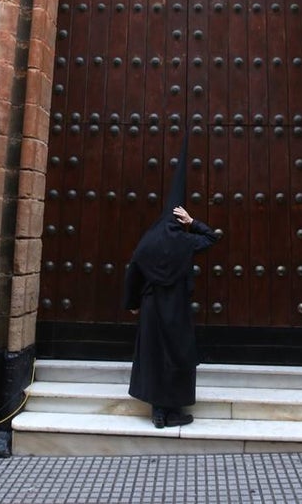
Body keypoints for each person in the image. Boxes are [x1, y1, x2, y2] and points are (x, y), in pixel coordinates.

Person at [123, 134, 222, 429]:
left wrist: (131, 304)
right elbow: (212, 237)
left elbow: (134, 269)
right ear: (179, 217)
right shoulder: (185, 240)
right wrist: (193, 222)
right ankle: (174, 410)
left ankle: (158, 412)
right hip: (176, 307)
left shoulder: (149, 240)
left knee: (154, 354)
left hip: (152, 305)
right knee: (177, 355)